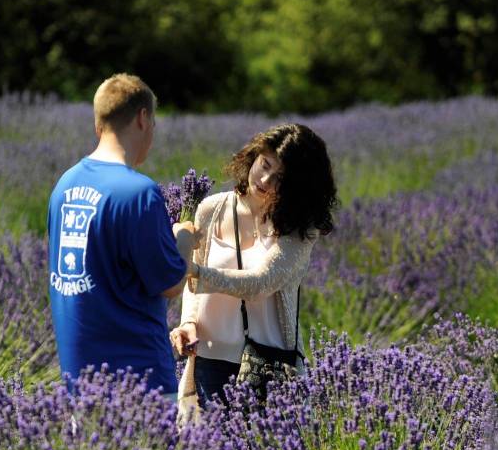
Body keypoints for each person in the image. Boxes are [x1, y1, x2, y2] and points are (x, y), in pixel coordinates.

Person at [171, 123, 337, 423]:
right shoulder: (212, 209)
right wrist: (188, 323)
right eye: (265, 164)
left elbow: (260, 283)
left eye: (281, 178)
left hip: (269, 368)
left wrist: (193, 269)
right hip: (209, 360)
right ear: (255, 155)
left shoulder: (300, 228)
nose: (265, 180)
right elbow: (192, 285)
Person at [48, 73, 195, 397]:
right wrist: (185, 239)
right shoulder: (138, 192)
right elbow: (170, 283)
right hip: (139, 381)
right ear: (143, 119)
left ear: (99, 123)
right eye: (153, 123)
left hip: (78, 381)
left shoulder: (64, 185)